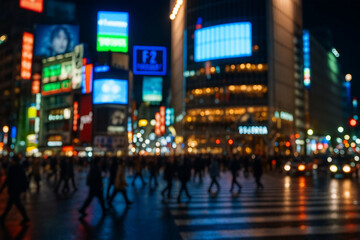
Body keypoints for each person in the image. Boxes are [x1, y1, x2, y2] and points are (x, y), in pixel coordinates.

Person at [0, 156, 30, 224]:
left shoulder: (12, 168)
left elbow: (8, 179)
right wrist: (24, 189)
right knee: (12, 203)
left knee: (15, 204)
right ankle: (3, 217)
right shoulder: (20, 167)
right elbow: (24, 179)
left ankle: (25, 217)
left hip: (13, 188)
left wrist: (2, 188)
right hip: (17, 189)